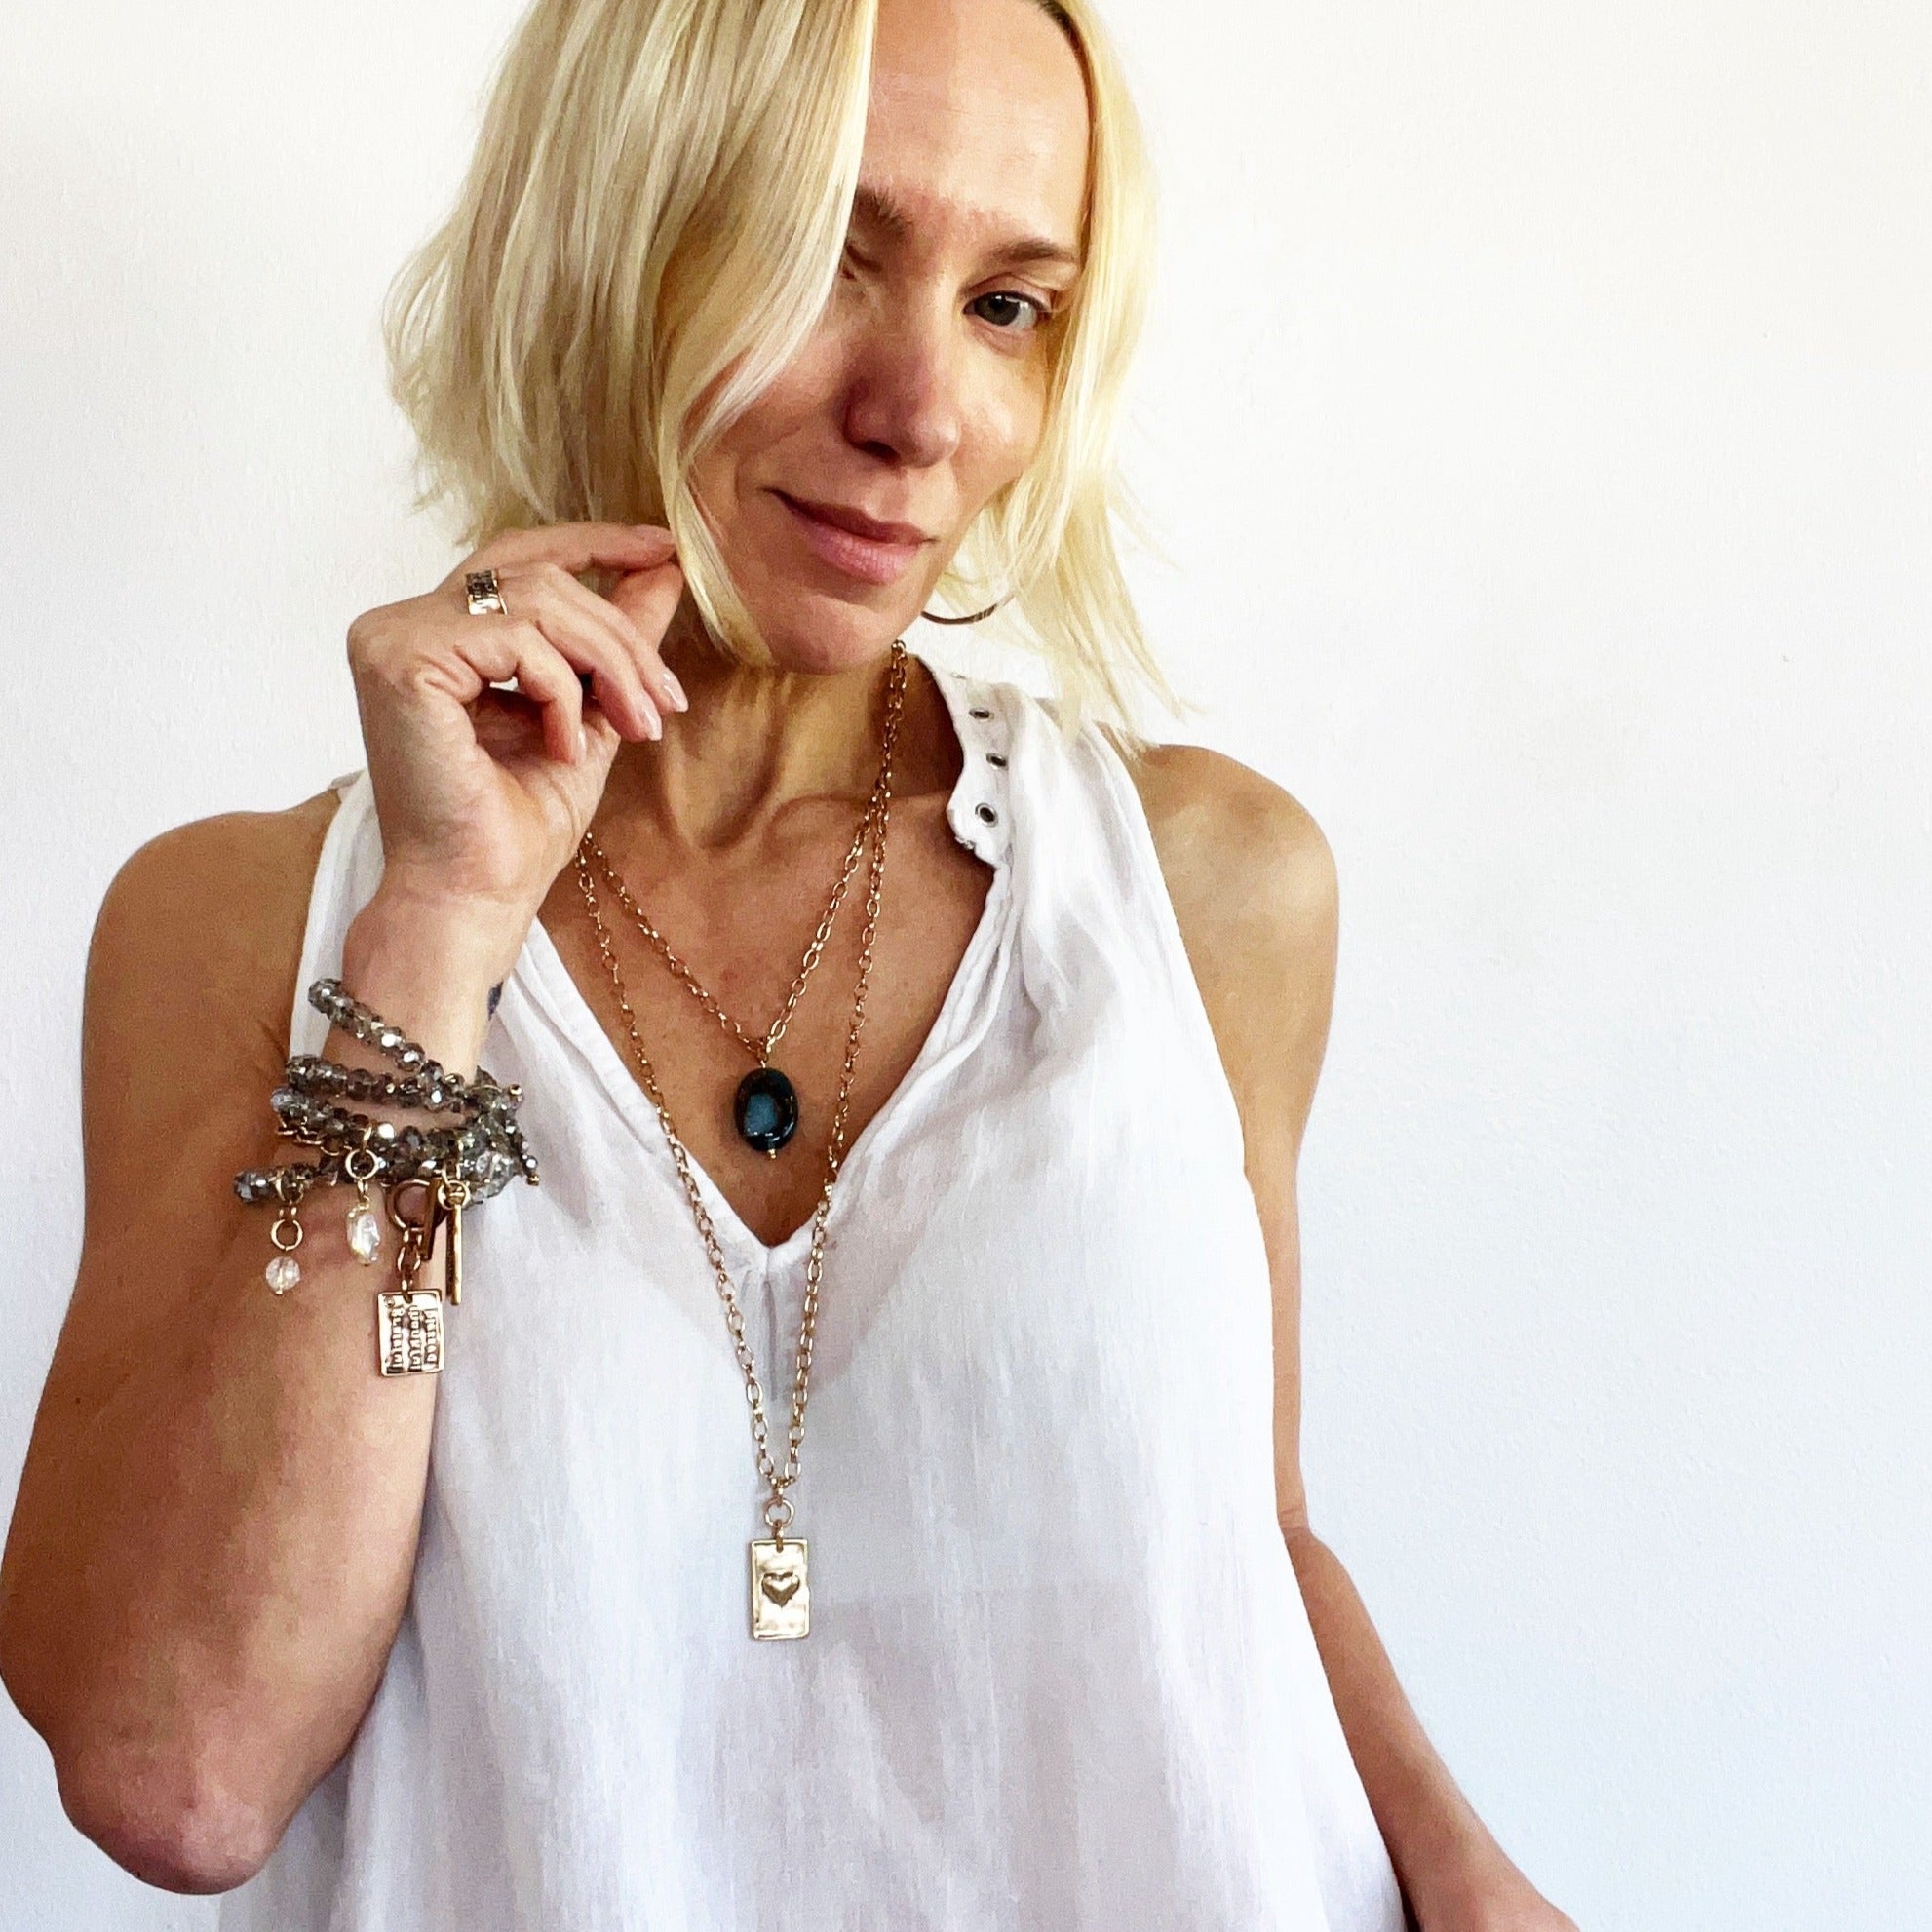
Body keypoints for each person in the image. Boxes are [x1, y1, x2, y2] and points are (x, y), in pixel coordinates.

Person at [0, 0, 1574, 1925]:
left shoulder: (1201, 887)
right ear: (610, 233)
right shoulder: (256, 924)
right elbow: (181, 1767)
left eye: (1009, 306)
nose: (923, 411)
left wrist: (1462, 1868)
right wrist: (435, 934)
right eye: (831, 252)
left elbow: (1244, 1538)